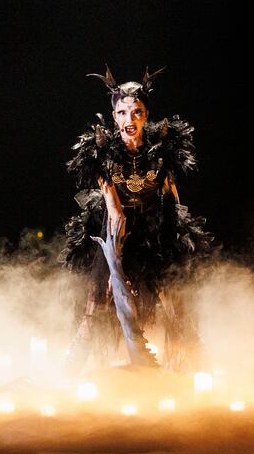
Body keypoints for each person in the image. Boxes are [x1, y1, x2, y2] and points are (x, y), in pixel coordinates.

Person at [60, 65, 214, 374]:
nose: (129, 120)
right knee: (100, 290)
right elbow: (105, 185)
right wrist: (115, 211)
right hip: (115, 224)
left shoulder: (162, 147)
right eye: (122, 113)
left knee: (168, 290)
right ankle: (77, 359)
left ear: (146, 113)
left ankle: (187, 359)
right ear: (113, 115)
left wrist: (178, 228)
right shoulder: (102, 147)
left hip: (153, 223)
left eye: (136, 112)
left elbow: (170, 190)